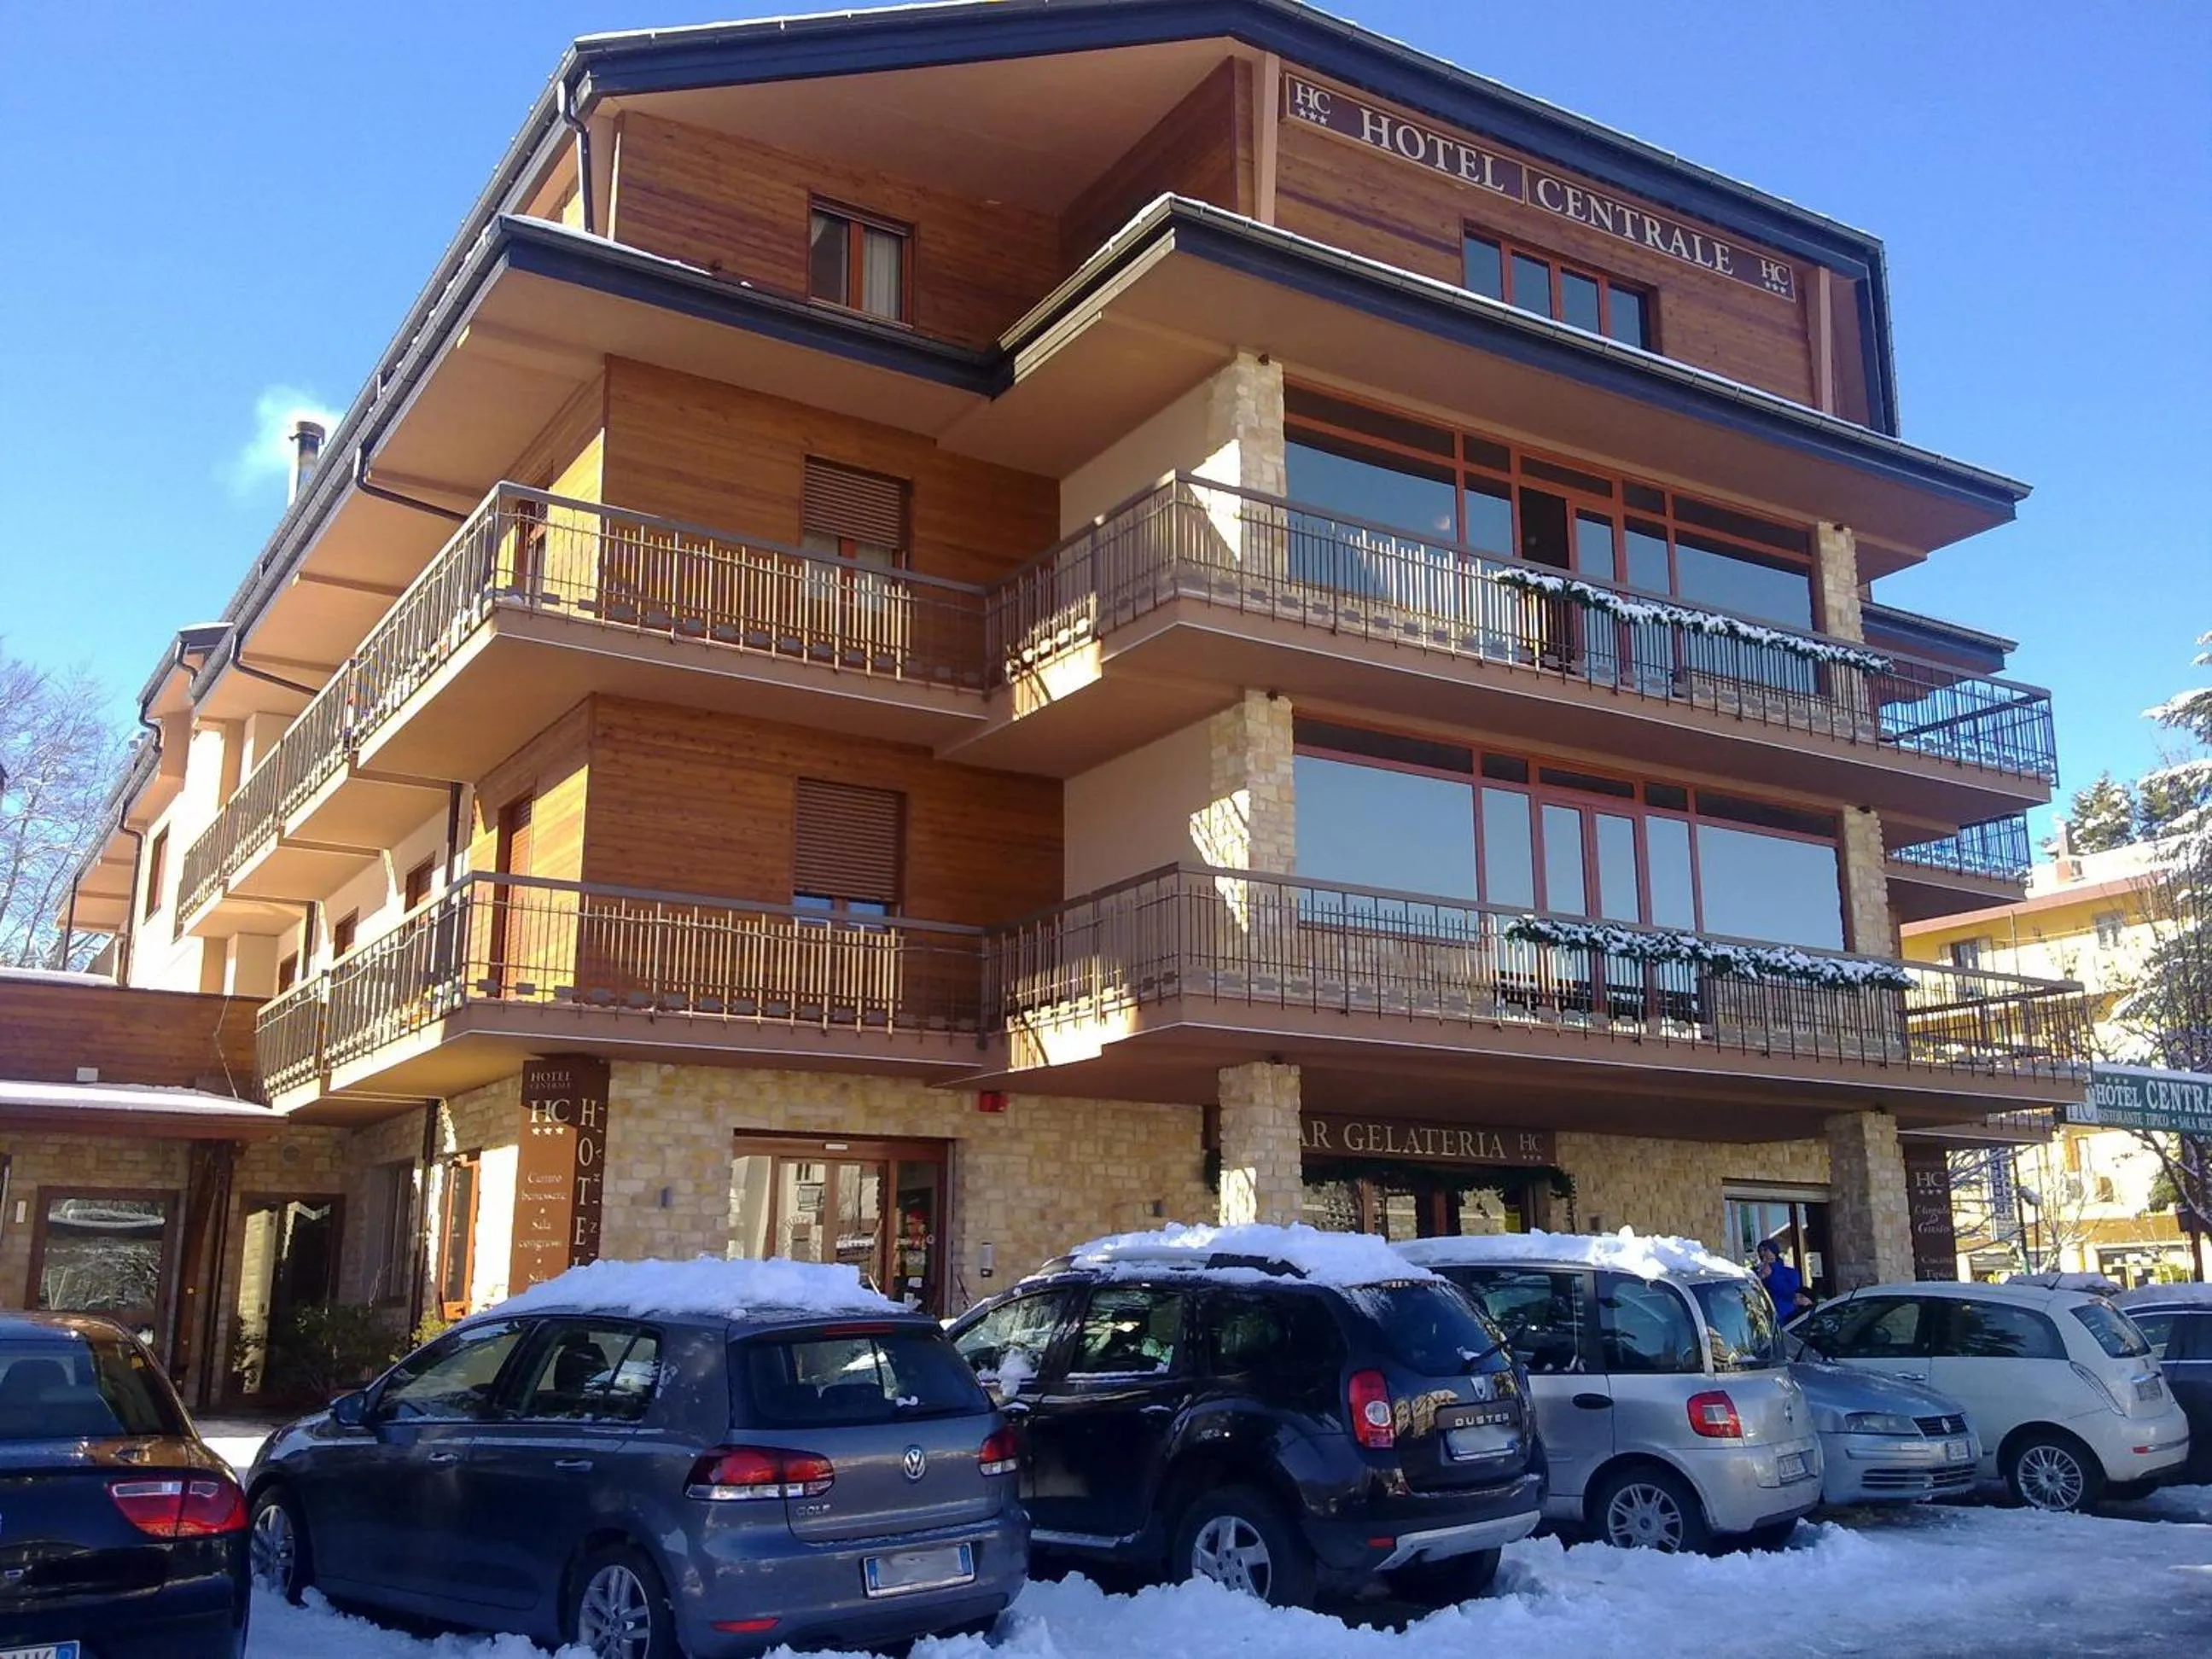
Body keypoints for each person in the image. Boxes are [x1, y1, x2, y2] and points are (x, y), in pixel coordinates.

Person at [1755, 1241, 1807, 1324]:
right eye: (1760, 1251)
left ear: (1774, 1251)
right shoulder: (1757, 1272)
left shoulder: (1791, 1273)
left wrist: (1771, 1276)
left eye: (1765, 1250)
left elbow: (1791, 1293)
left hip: (1786, 1316)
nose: (1762, 1253)